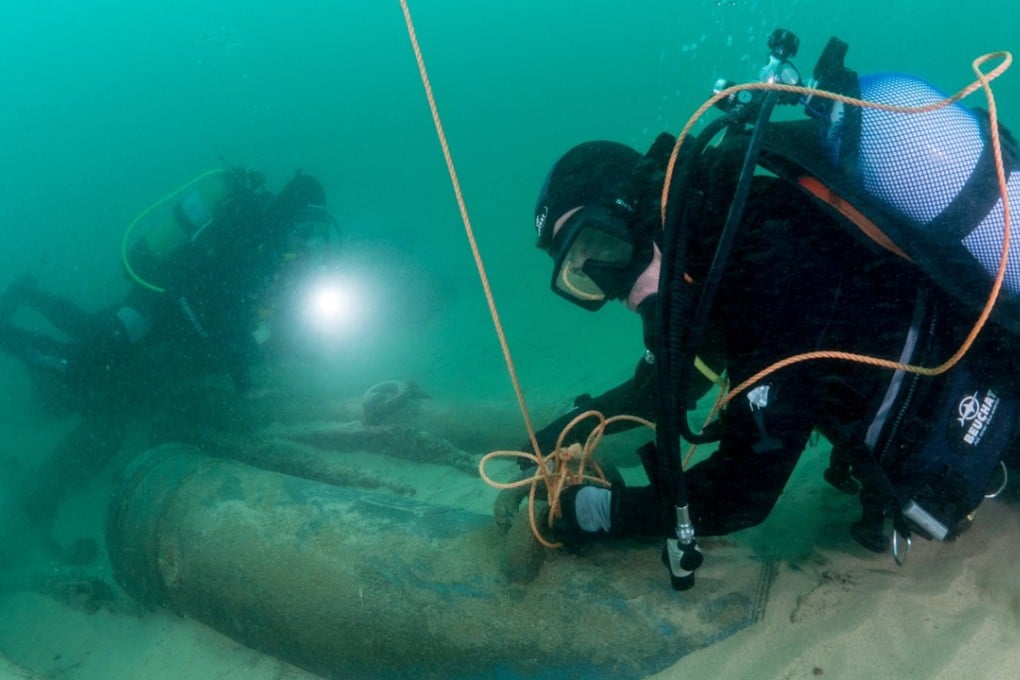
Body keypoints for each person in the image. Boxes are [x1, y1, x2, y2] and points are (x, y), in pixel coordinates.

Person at [504, 71, 1020, 559]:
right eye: (582, 272)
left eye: (600, 246)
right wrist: (553, 437)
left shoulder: (769, 256)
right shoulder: (716, 253)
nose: (607, 284)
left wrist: (593, 513)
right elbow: (670, 386)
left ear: (642, 213)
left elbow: (742, 495)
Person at [0, 167, 339, 541]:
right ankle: (11, 331)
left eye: (315, 234)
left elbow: (245, 315)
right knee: (78, 361)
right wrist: (245, 382)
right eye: (307, 229)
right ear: (293, 212)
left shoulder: (264, 240)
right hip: (154, 311)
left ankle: (27, 294)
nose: (309, 243)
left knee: (89, 331)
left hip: (162, 316)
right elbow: (227, 315)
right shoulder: (253, 235)